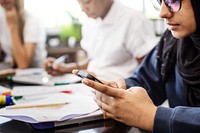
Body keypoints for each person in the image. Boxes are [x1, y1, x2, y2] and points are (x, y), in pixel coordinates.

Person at [72, 0, 200, 132]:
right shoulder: (172, 42)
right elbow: (145, 80)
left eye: (173, 1)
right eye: (159, 1)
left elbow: (152, 114)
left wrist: (153, 116)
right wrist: (120, 90)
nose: (162, 13)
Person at [44, 0, 157, 80]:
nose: (83, 9)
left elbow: (149, 71)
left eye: (87, 1)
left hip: (120, 90)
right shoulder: (90, 22)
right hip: (91, 86)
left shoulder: (133, 19)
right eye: (78, 2)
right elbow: (96, 62)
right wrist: (65, 68)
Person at [0, 0, 47, 69]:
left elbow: (23, 64)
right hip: (11, 69)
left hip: (33, 72)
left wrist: (13, 27)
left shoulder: (32, 21)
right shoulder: (2, 19)